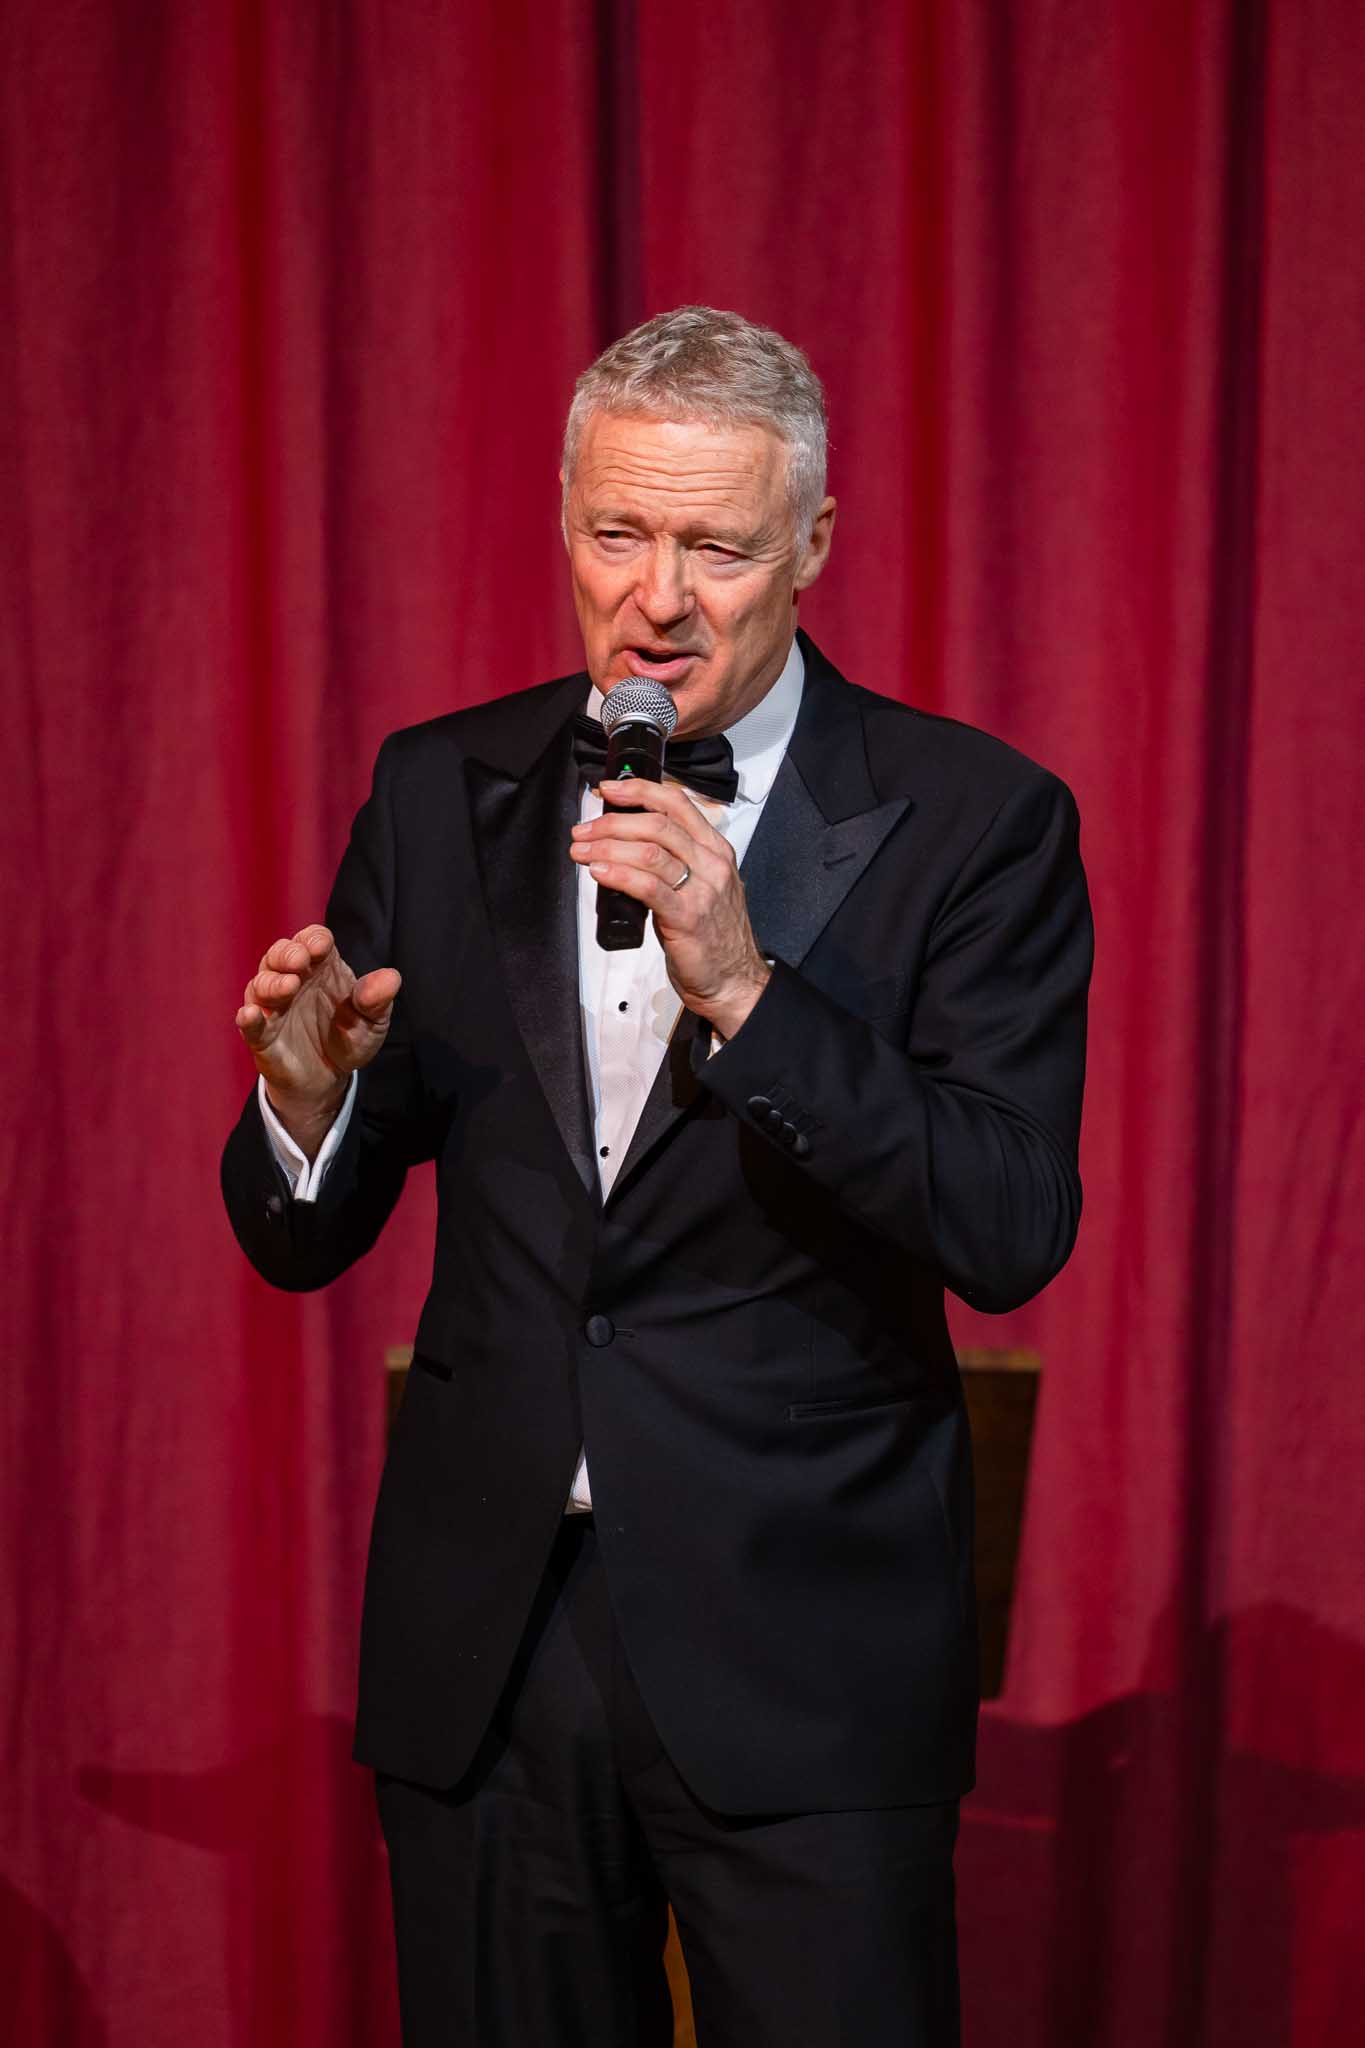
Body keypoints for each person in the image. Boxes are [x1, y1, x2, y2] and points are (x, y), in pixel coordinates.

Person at [221, 305, 1092, 2047]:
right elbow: (308, 1237)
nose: (657, 598)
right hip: (489, 1651)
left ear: (813, 546)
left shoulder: (972, 817)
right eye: (618, 534)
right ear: (564, 524)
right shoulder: (439, 788)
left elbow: (1007, 1224)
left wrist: (750, 993)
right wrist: (304, 1107)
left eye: (716, 546)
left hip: (805, 1653)